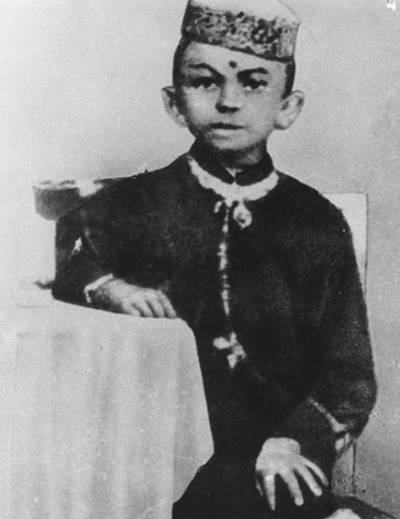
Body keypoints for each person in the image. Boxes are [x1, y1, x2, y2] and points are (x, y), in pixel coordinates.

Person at [52, 1, 378, 517]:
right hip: (158, 461)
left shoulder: (316, 222)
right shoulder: (130, 203)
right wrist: (111, 288)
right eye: (204, 81)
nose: (228, 101)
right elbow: (68, 256)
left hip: (274, 464)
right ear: (173, 102)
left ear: (288, 107)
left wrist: (293, 440)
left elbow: (349, 378)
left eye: (253, 84)